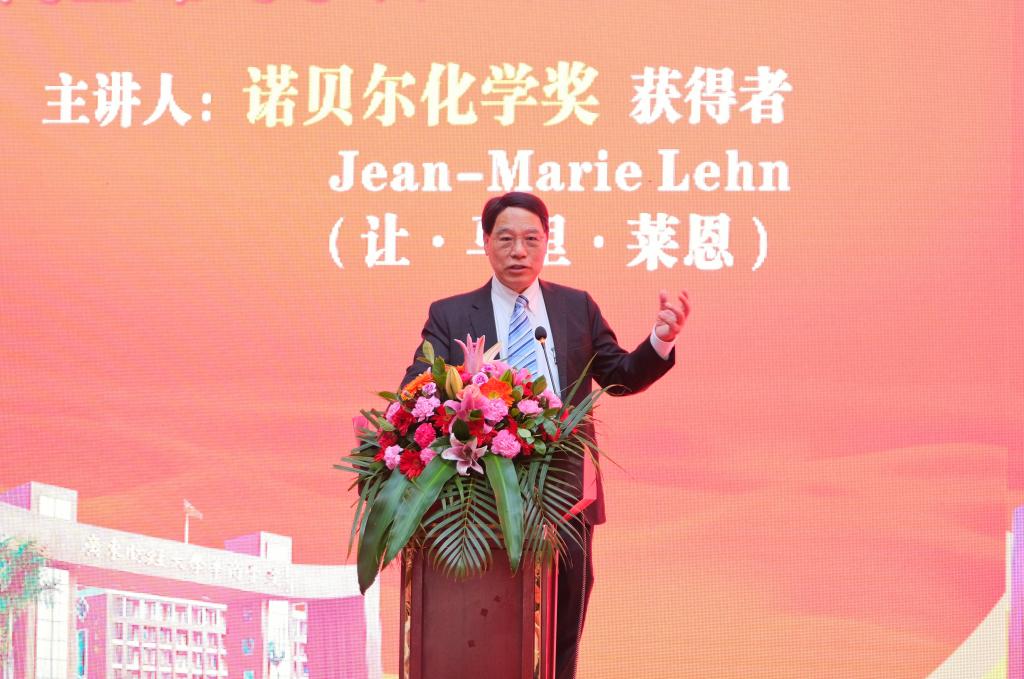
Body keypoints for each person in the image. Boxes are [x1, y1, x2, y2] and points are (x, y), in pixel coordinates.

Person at [400, 192, 690, 679]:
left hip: (566, 492)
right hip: (478, 494)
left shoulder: (576, 307)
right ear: (486, 242)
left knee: (565, 618)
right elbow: (419, 388)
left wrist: (661, 340)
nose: (519, 251)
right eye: (506, 239)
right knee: (485, 618)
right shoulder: (450, 314)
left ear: (547, 242)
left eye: (530, 239)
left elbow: (619, 376)